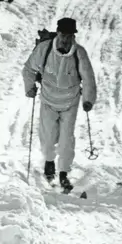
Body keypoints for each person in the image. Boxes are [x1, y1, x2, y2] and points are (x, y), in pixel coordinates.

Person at [22, 17, 97, 193]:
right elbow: (28, 69)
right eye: (63, 35)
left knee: (66, 139)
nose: (65, 39)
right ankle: (49, 163)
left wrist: (88, 99)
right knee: (48, 135)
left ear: (73, 36)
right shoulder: (44, 49)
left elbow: (88, 78)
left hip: (70, 102)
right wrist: (29, 87)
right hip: (48, 100)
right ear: (58, 33)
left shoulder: (80, 53)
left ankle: (63, 173)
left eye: (69, 36)